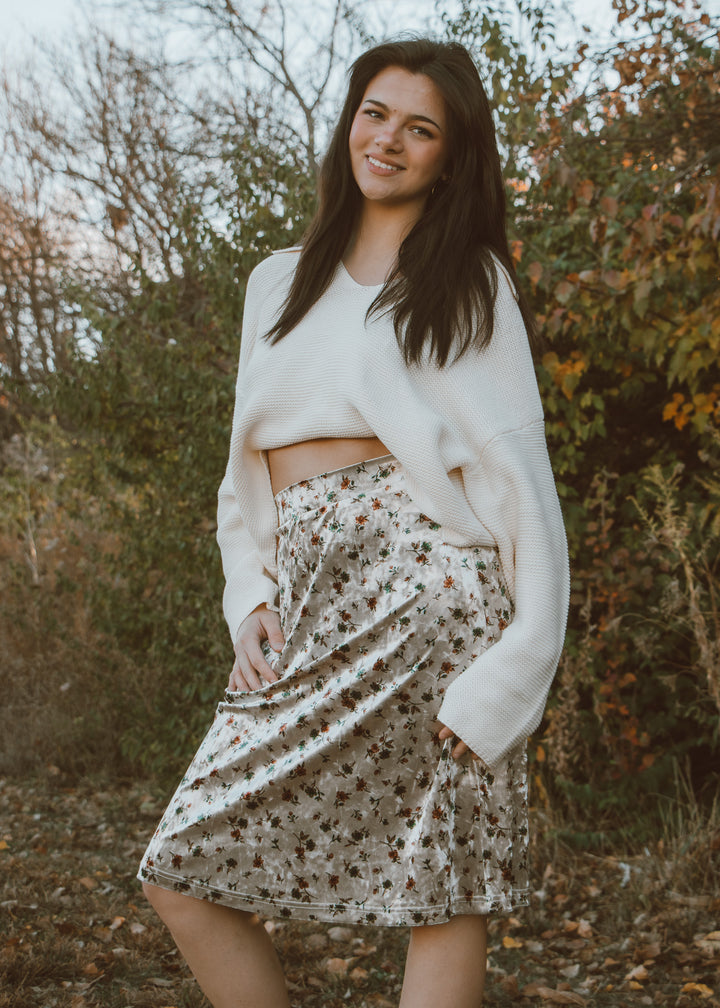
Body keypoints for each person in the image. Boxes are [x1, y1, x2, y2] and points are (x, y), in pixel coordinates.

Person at [138, 37, 570, 1008]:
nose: (388, 140)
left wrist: (515, 669)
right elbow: (241, 470)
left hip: (432, 603)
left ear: (449, 157)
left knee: (444, 886)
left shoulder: (468, 283)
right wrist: (247, 594)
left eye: (420, 129)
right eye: (375, 113)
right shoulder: (274, 283)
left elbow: (521, 487)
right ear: (348, 125)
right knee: (179, 871)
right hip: (307, 594)